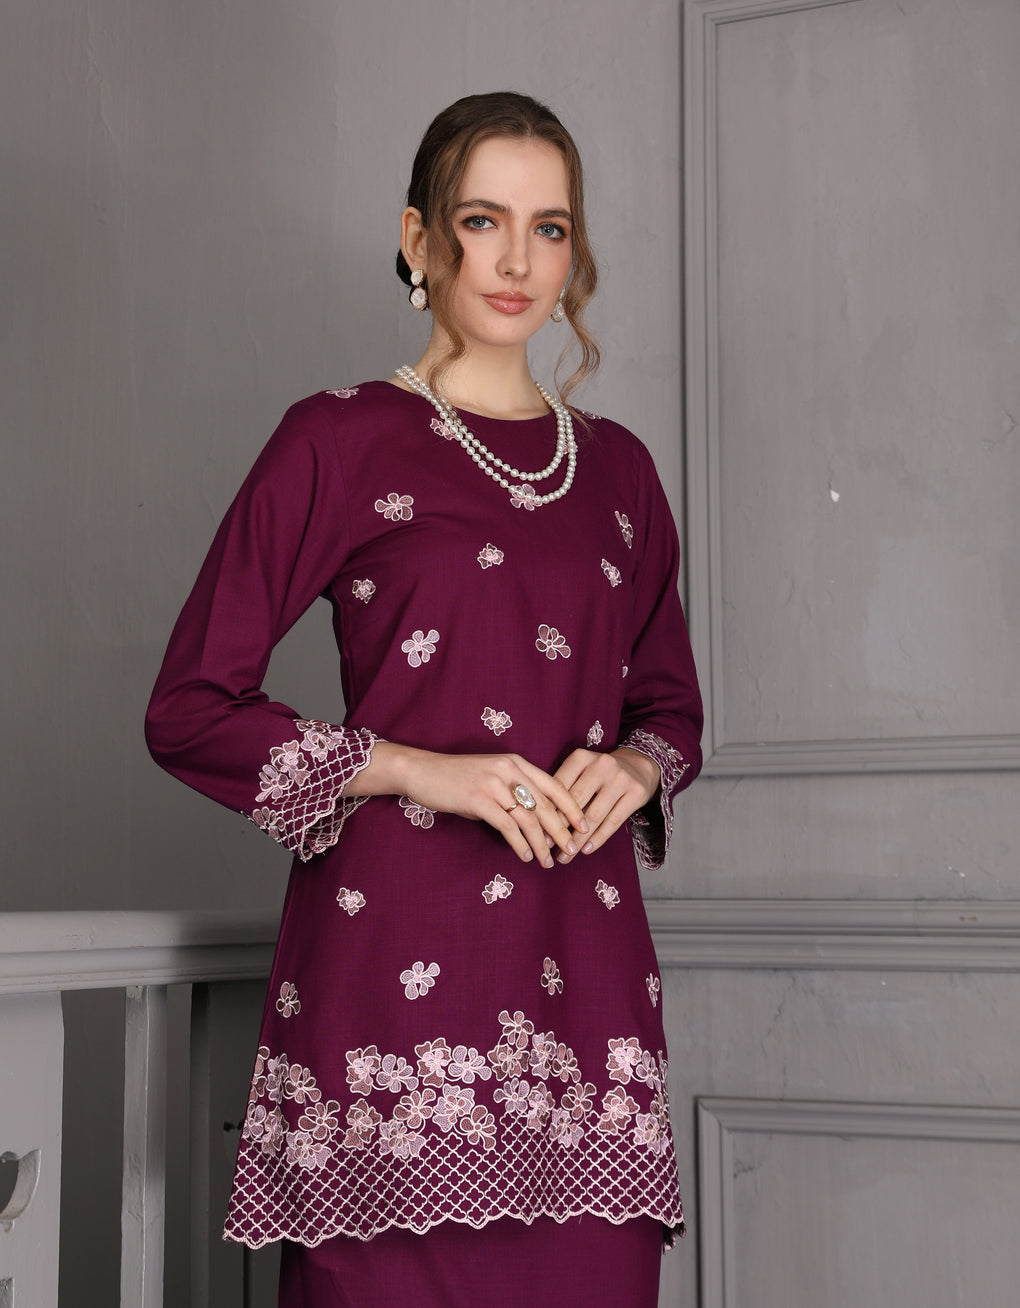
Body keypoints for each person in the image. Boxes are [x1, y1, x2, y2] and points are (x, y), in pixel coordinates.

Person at [146, 90, 703, 1308]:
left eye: (550, 228)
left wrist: (636, 768)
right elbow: (190, 704)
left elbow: (670, 707)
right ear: (417, 238)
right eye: (481, 221)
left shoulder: (620, 471)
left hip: (586, 993)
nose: (517, 261)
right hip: (392, 985)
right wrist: (413, 767)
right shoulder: (337, 440)